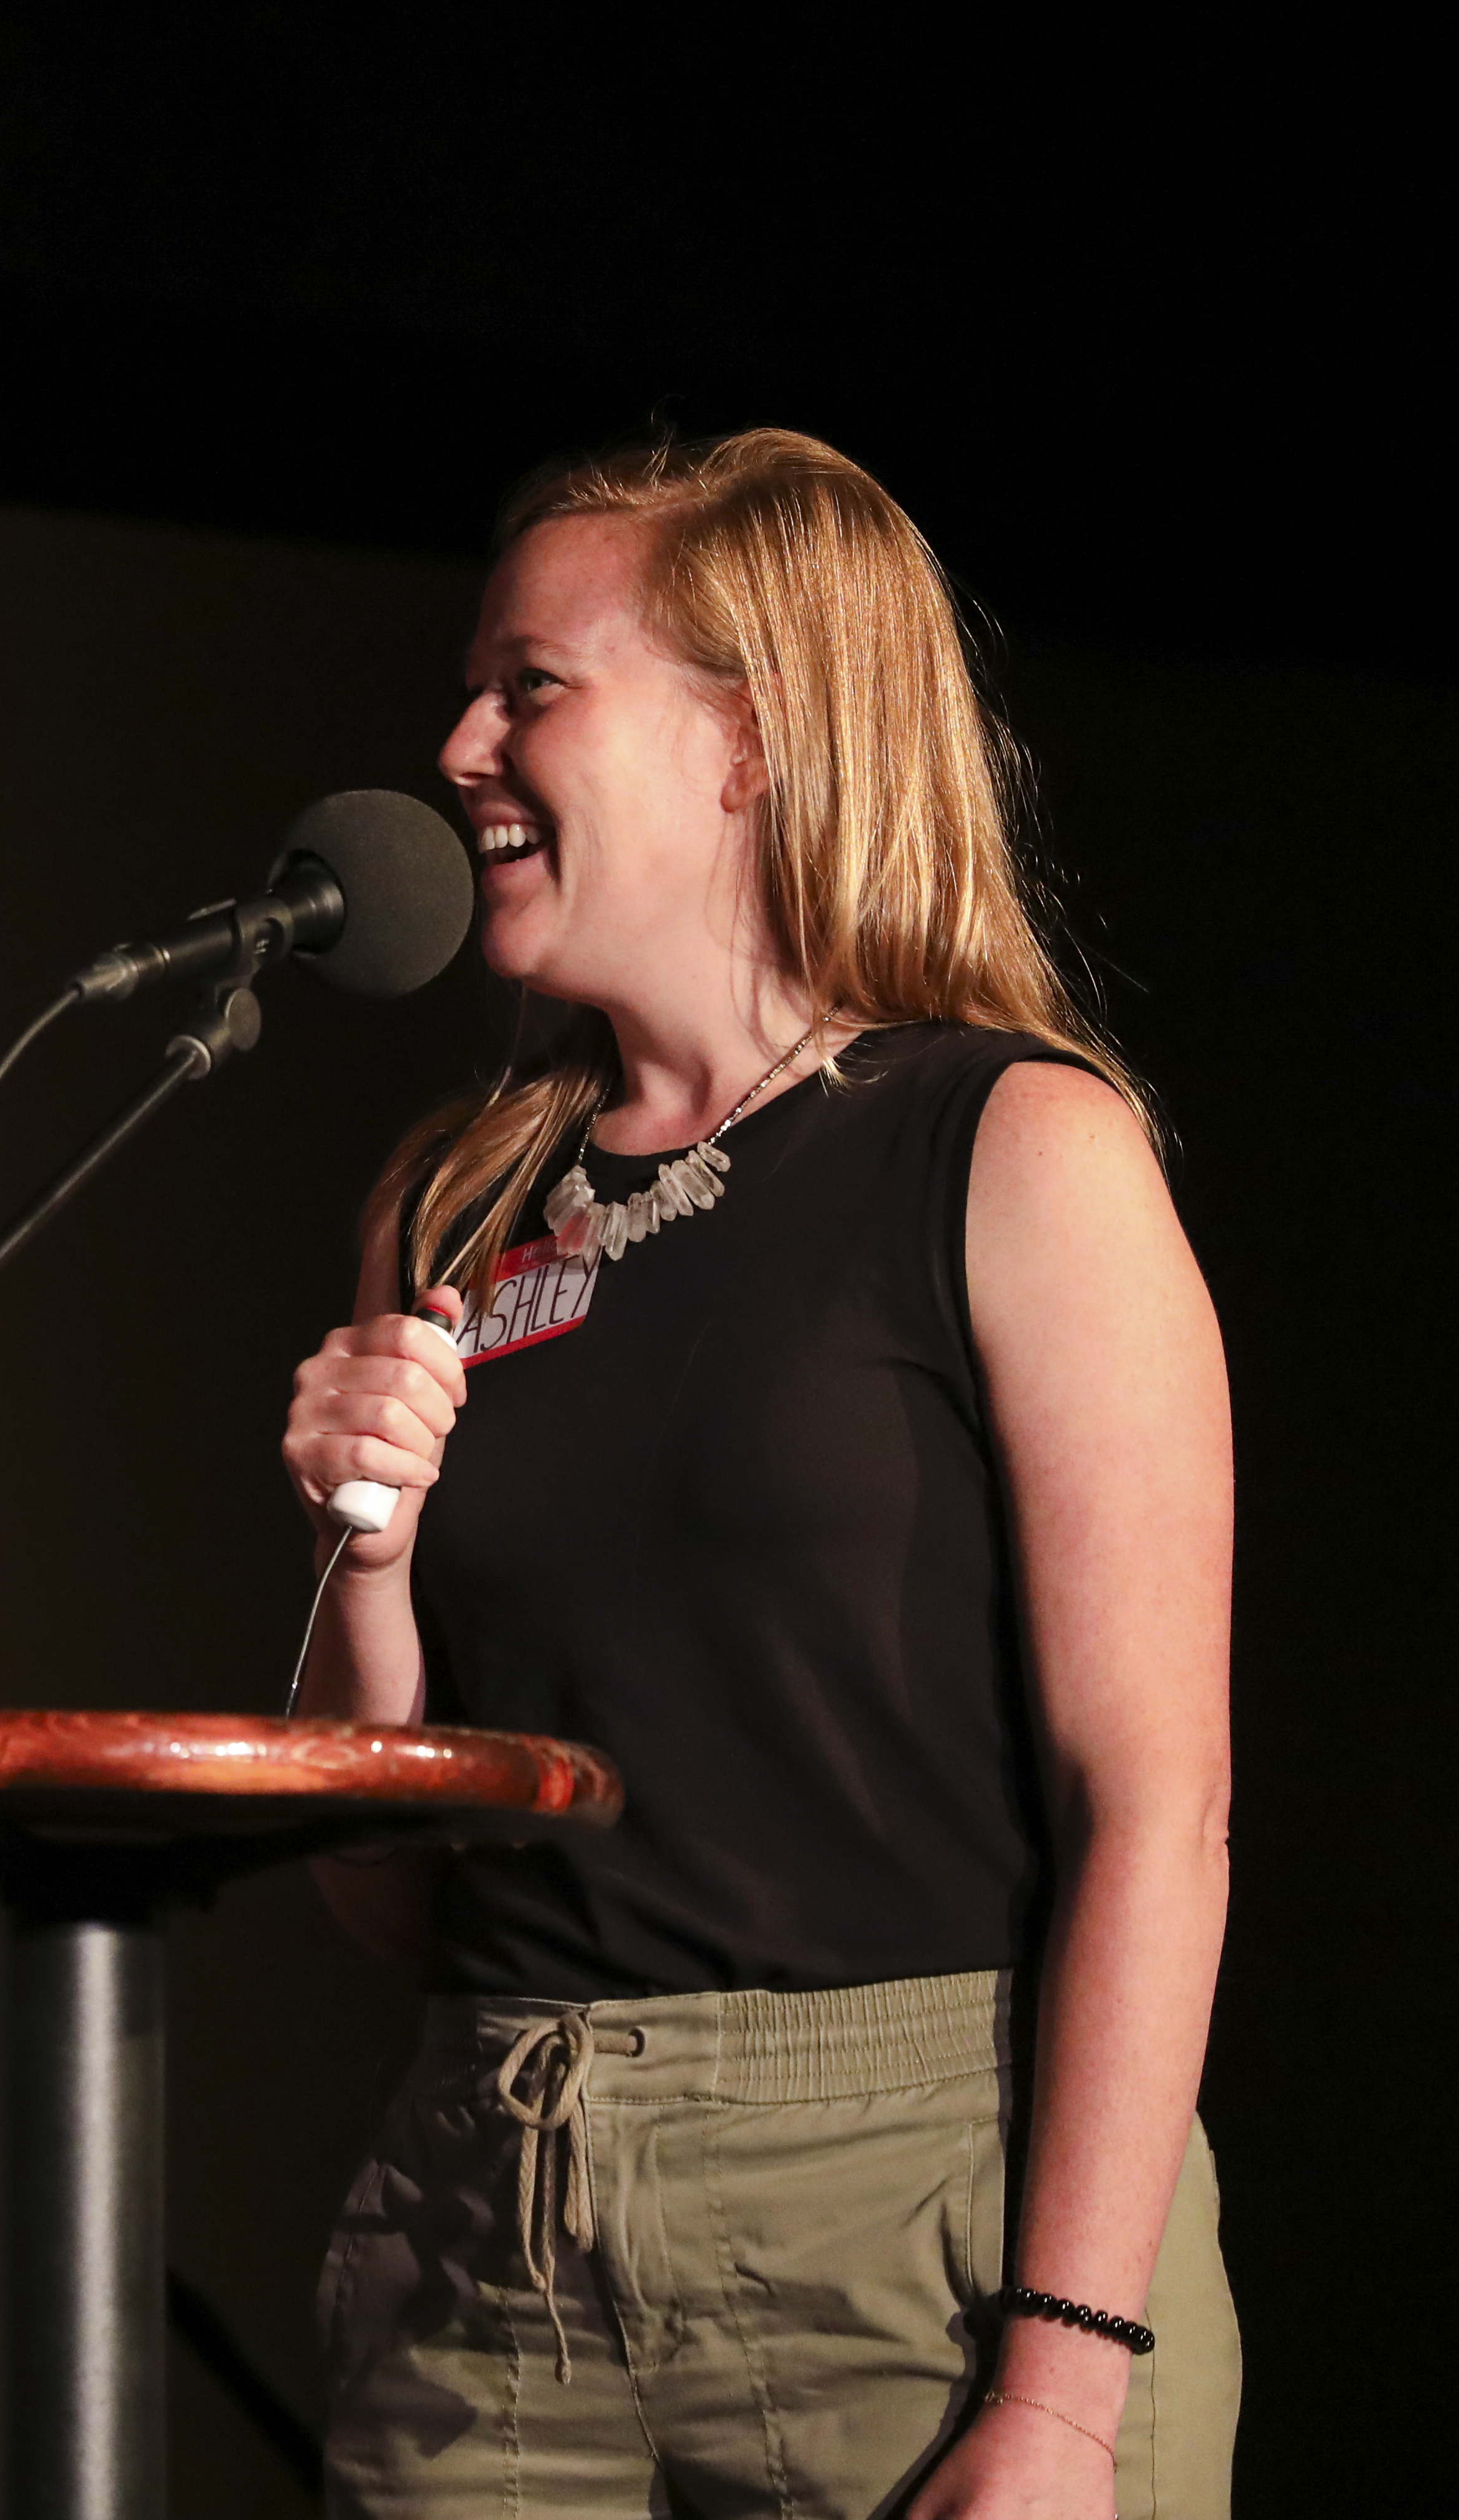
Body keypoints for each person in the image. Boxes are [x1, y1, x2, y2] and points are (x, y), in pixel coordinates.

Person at [279, 430, 1238, 2519]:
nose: (459, 744)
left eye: (533, 682)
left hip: (915, 2230)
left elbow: (1158, 1813)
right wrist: (366, 1575)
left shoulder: (1012, 1149)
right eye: (471, 684)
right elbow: (378, 1894)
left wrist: (1064, 2392)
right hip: (491, 2224)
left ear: (752, 739)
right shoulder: (454, 1207)